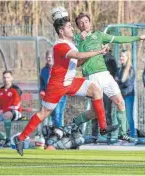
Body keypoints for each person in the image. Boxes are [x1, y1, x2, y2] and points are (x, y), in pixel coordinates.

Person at [14, 16, 118, 156]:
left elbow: (78, 62)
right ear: (61, 31)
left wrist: (94, 53)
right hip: (57, 85)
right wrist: (98, 52)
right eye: (69, 26)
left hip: (70, 81)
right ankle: (20, 138)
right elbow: (78, 55)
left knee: (95, 90)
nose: (72, 28)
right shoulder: (60, 46)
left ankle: (103, 128)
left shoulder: (69, 44)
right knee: (44, 113)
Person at [73, 13, 145, 142]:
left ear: (90, 23)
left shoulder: (99, 35)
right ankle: (75, 122)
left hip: (105, 75)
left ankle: (123, 133)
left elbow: (119, 39)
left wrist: (138, 37)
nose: (84, 24)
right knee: (94, 112)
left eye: (86, 21)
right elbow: (77, 61)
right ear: (78, 26)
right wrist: (80, 40)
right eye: (81, 22)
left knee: (120, 102)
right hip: (92, 77)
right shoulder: (77, 39)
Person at [91, 45, 118, 142]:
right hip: (95, 88)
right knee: (94, 113)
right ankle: (94, 136)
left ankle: (108, 136)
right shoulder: (95, 57)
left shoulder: (110, 58)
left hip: (106, 89)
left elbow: (114, 74)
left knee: (106, 112)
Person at [40, 50, 67, 127]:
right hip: (48, 96)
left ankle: (58, 132)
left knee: (58, 114)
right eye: (48, 57)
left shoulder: (60, 68)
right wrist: (42, 90)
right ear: (46, 58)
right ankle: (54, 132)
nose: (50, 59)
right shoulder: (44, 70)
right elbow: (42, 84)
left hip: (59, 96)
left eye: (52, 57)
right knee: (52, 115)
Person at [116, 49, 136, 138]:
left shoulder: (131, 69)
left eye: (123, 56)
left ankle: (133, 135)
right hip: (120, 96)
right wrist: (120, 81)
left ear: (127, 57)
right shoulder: (119, 69)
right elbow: (114, 80)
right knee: (121, 116)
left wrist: (119, 81)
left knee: (129, 116)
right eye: (120, 56)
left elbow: (128, 83)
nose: (121, 58)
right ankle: (122, 135)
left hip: (129, 95)